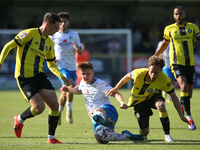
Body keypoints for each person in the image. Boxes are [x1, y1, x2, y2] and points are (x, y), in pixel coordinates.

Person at [0, 12, 70, 144]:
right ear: (47, 24)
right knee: (39, 108)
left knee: (54, 105)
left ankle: (51, 138)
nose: (57, 31)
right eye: (55, 27)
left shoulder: (49, 42)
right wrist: (0, 62)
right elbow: (8, 46)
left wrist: (62, 76)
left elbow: (51, 64)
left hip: (40, 75)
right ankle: (19, 119)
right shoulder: (28, 34)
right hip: (24, 77)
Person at [106, 56, 189, 142]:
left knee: (161, 105)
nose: (153, 75)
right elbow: (127, 76)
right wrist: (115, 88)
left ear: (161, 70)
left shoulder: (164, 79)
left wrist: (181, 115)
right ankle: (138, 135)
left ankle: (167, 135)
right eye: (152, 71)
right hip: (139, 102)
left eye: (156, 73)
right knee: (145, 132)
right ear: (149, 68)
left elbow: (174, 97)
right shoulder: (139, 73)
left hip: (153, 96)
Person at [59, 62, 144, 142]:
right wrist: (68, 89)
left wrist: (122, 102)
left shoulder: (100, 84)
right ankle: (127, 135)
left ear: (93, 72)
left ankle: (100, 118)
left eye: (87, 73)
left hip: (108, 111)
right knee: (104, 137)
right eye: (83, 74)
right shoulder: (82, 83)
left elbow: (115, 93)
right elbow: (79, 90)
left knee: (95, 113)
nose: (85, 76)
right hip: (95, 116)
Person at [154, 6, 200, 130]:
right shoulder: (169, 29)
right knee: (183, 86)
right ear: (173, 16)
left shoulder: (193, 28)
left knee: (188, 95)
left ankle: (183, 103)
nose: (178, 16)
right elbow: (164, 44)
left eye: (180, 14)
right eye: (176, 14)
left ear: (184, 15)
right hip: (176, 64)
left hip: (190, 64)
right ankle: (190, 118)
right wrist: (155, 56)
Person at [50, 12, 83, 125]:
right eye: (61, 21)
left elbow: (80, 51)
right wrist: (51, 58)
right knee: (71, 86)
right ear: (58, 23)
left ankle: (58, 113)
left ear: (68, 22)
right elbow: (47, 48)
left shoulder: (74, 35)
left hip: (72, 67)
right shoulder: (53, 35)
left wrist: (77, 49)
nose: (63, 23)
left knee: (65, 92)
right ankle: (69, 111)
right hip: (60, 67)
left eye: (65, 21)